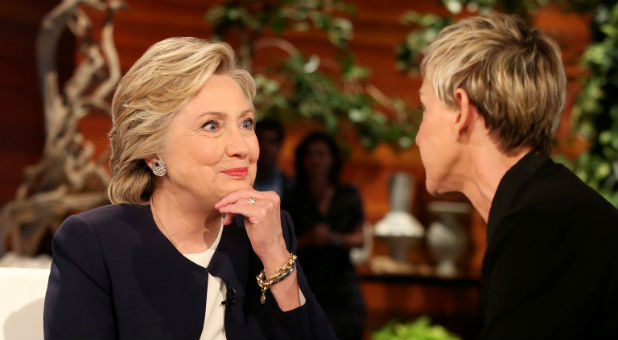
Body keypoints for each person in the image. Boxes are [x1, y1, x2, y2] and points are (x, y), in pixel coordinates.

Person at [43, 37, 336, 339]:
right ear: (153, 149)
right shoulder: (96, 243)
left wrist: (275, 254)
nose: (241, 147)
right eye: (212, 125)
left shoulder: (270, 230)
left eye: (247, 124)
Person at [416, 13, 617, 339]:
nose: (418, 136)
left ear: (461, 109)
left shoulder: (540, 225)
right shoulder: (545, 207)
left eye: (423, 109)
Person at [282, 132, 366, 340]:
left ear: (332, 159)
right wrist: (310, 239)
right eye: (309, 155)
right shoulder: (292, 196)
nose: (315, 160)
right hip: (305, 282)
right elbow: (282, 246)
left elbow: (360, 238)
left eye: (321, 154)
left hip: (342, 283)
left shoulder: (348, 193)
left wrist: (333, 239)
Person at [253, 119, 294, 197]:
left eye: (272, 142)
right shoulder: (238, 183)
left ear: (280, 146)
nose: (265, 147)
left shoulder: (290, 186)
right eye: (260, 140)